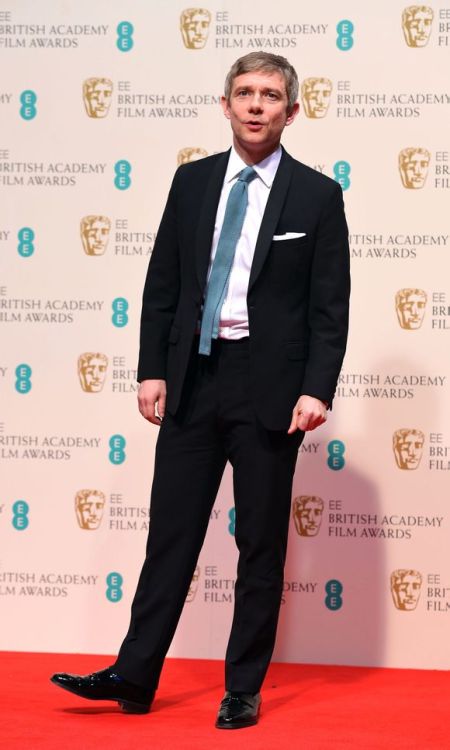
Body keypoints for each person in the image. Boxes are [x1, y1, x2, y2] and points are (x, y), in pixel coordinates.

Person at [51, 52, 350, 729]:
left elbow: (330, 308)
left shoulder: (317, 196)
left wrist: (316, 389)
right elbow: (164, 284)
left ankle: (242, 687)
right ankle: (134, 674)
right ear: (224, 104)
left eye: (270, 95)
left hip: (271, 391)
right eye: (243, 92)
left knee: (261, 547)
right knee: (171, 537)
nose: (255, 104)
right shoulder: (191, 183)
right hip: (193, 379)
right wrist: (152, 368)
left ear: (291, 112)